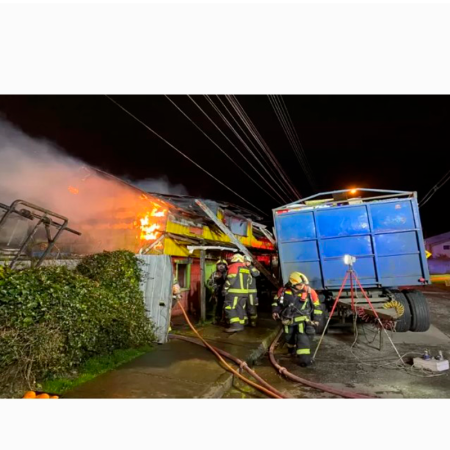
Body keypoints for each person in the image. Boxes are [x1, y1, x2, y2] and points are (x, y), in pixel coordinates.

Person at [272, 272, 323, 367]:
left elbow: (317, 307)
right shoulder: (283, 291)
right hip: (287, 320)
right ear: (292, 283)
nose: (302, 286)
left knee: (302, 338)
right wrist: (275, 311)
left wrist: (316, 319)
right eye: (299, 284)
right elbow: (276, 303)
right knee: (288, 337)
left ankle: (304, 360)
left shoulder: (310, 292)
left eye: (303, 284)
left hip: (302, 320)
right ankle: (291, 351)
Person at [223, 253, 250, 333]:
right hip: (244, 293)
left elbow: (231, 279)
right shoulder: (246, 268)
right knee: (240, 308)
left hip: (234, 292)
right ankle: (241, 324)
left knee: (229, 307)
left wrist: (225, 289)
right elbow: (249, 281)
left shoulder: (234, 266)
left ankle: (236, 325)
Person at [207, 259, 228, 325]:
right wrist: (212, 284)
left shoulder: (228, 273)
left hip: (225, 294)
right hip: (216, 293)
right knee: (215, 306)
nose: (221, 267)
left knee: (225, 307)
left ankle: (224, 320)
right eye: (219, 265)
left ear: (226, 266)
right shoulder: (214, 274)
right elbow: (209, 282)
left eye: (223, 265)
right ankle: (215, 319)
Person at [244, 255, 259, 327]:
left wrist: (249, 266)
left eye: (246, 261)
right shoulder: (242, 268)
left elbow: (256, 274)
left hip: (251, 292)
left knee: (251, 307)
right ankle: (245, 321)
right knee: (243, 307)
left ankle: (253, 321)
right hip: (243, 291)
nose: (245, 263)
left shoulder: (252, 268)